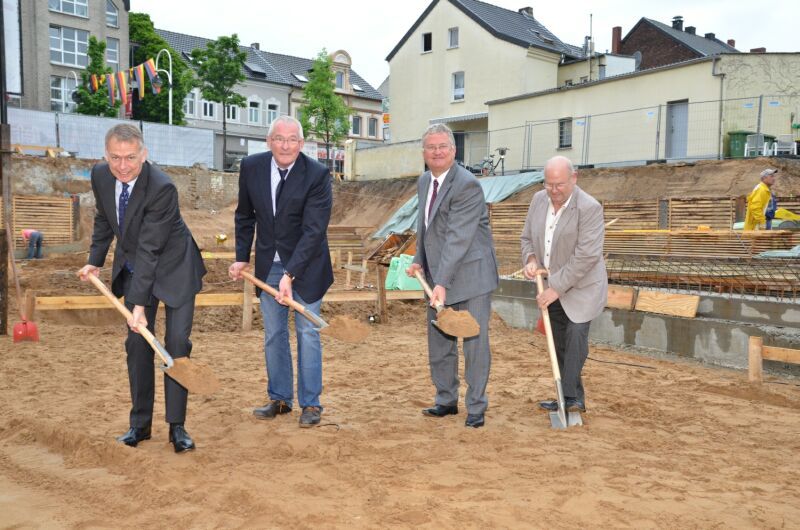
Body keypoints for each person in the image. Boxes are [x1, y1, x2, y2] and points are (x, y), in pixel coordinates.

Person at [78, 124, 206, 453]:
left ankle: (177, 427)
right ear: (105, 156)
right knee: (137, 344)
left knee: (176, 344)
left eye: (131, 158)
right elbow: (105, 218)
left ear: (144, 154)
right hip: (138, 265)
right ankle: (140, 425)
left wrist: (137, 306)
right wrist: (95, 260)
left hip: (174, 266)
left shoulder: (162, 188)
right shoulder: (101, 176)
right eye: (115, 158)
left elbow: (151, 247)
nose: (123, 166)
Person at [228, 115, 333, 428]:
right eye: (279, 139)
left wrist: (290, 275)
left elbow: (314, 231)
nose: (285, 145)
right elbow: (244, 216)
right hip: (267, 265)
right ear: (269, 141)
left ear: (301, 144)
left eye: (292, 140)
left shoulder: (316, 174)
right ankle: (280, 398)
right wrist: (241, 257)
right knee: (274, 335)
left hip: (308, 265)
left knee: (308, 333)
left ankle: (311, 404)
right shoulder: (251, 168)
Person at [405, 123, 499, 429]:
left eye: (442, 146)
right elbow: (426, 226)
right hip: (437, 274)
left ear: (453, 150)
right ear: (424, 153)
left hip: (471, 275)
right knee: (440, 339)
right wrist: (420, 260)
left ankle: (476, 406)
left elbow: (458, 237)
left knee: (473, 342)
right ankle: (446, 399)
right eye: (430, 147)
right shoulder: (424, 181)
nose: (436, 152)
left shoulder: (467, 185)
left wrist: (441, 283)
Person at [521, 155, 607, 414]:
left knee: (575, 339)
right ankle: (569, 397)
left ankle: (570, 398)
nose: (554, 191)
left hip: (582, 287)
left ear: (574, 178)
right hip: (551, 284)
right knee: (558, 341)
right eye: (548, 184)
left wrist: (556, 288)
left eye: (559, 185)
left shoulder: (589, 208)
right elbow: (526, 237)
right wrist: (531, 259)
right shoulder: (538, 201)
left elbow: (586, 256)